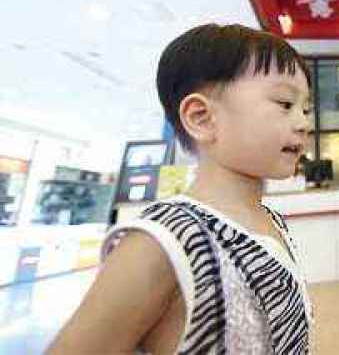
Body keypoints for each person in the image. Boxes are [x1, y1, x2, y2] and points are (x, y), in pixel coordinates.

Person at [48, 24, 314, 354]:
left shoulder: (273, 221)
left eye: (306, 109)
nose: (304, 123)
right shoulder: (162, 243)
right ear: (202, 118)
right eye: (285, 103)